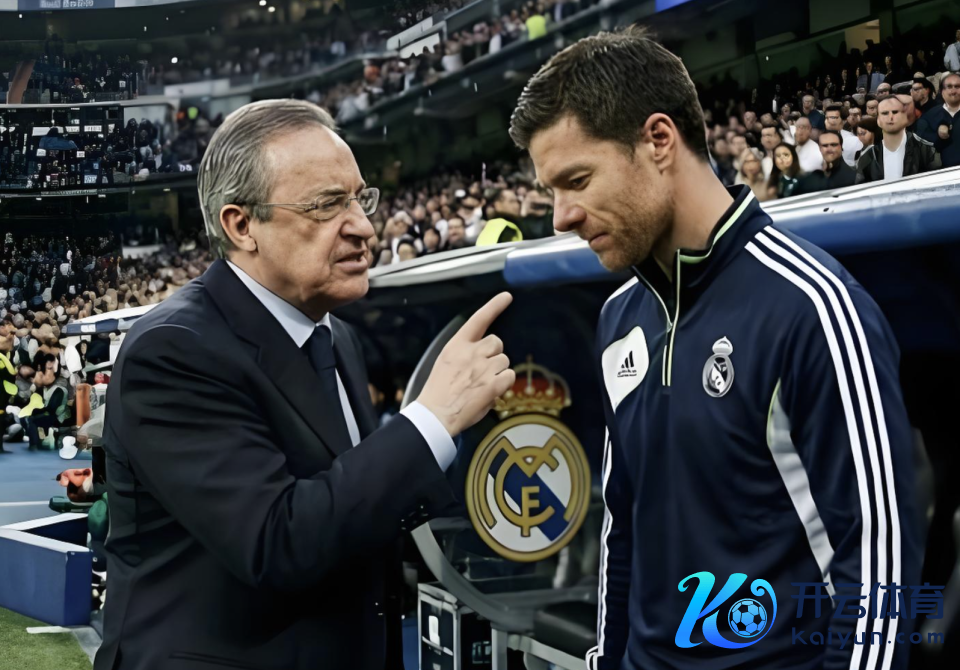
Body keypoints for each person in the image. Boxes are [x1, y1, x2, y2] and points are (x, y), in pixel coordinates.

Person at [508, 26, 920, 670]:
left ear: (659, 140)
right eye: (551, 192)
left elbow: (879, 570)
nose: (561, 216)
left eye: (577, 179)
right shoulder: (619, 318)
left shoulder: (812, 308)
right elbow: (623, 529)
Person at [94, 100, 517, 670]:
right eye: (326, 205)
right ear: (241, 226)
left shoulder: (335, 336)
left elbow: (352, 517)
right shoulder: (173, 349)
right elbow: (275, 543)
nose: (363, 226)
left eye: (360, 199)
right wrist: (432, 421)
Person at [856, 96, 939, 183]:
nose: (890, 117)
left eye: (895, 112)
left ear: (906, 117)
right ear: (878, 121)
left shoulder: (926, 151)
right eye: (885, 113)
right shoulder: (867, 158)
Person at [917, 72, 960, 168]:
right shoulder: (929, 116)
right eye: (949, 87)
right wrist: (938, 137)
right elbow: (920, 139)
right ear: (942, 91)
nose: (953, 91)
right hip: (943, 172)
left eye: (957, 86)